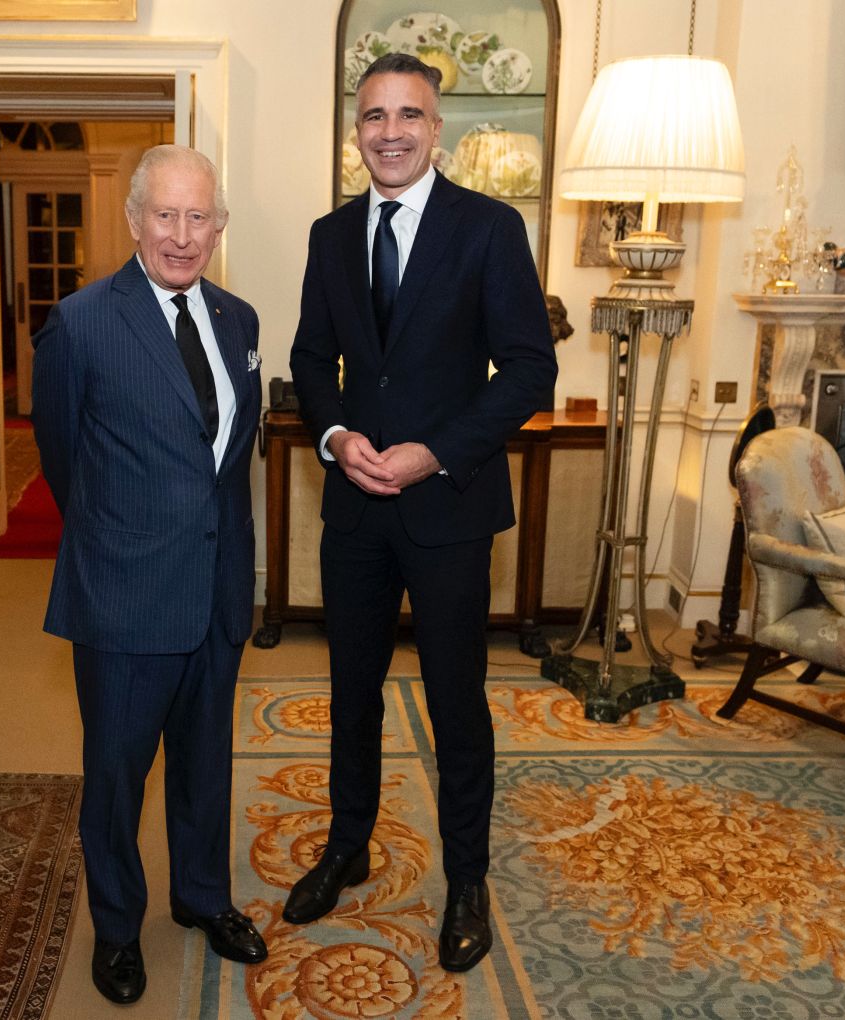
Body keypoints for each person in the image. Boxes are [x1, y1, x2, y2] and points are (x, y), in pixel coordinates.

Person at [286, 52, 558, 973]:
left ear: (436, 129)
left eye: (409, 115)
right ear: (355, 130)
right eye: (374, 116)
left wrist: (434, 449)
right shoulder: (329, 236)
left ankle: (468, 878)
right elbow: (312, 361)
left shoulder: (489, 228)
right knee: (350, 693)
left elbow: (529, 368)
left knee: (455, 703)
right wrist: (333, 440)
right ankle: (348, 844)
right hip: (357, 511)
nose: (390, 132)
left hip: (448, 509)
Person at [31, 144, 266, 1005]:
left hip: (217, 591)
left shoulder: (239, 321)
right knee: (118, 776)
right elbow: (62, 461)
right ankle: (120, 929)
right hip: (126, 595)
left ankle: (202, 898)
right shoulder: (84, 321)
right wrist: (123, 540)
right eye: (164, 215)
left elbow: (228, 463)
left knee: (207, 764)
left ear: (219, 225)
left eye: (197, 216)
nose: (181, 234)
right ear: (133, 221)